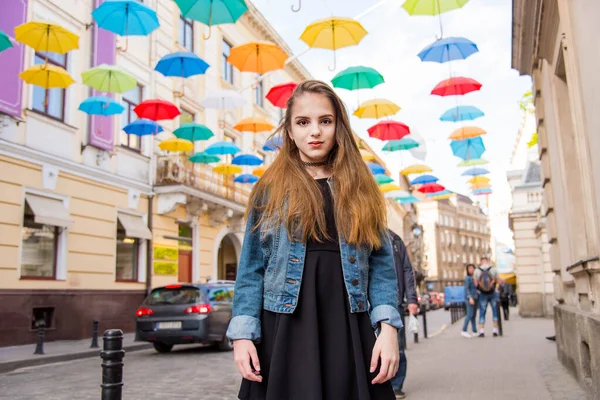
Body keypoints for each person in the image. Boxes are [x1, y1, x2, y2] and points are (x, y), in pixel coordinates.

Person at [226, 80, 402, 400]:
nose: (315, 131)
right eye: (303, 122)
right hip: (285, 326)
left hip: (349, 324)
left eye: (325, 121)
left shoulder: (362, 189)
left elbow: (382, 266)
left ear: (338, 128)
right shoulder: (269, 190)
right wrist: (242, 336)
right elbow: (251, 268)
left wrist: (388, 329)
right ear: (290, 132)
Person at [388, 230, 418, 399]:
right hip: (366, 303)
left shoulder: (394, 239)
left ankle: (396, 385)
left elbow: (407, 270)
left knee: (396, 346)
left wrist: (412, 299)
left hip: (395, 301)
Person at [473, 257, 499, 337]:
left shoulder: (477, 270)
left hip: (482, 294)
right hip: (492, 293)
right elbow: (497, 280)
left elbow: (475, 284)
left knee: (482, 312)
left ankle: (481, 331)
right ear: (488, 262)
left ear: (481, 262)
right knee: (495, 311)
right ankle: (495, 330)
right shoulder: (493, 269)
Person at [461, 263, 478, 338]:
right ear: (467, 270)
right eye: (469, 268)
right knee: (469, 314)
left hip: (475, 297)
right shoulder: (467, 278)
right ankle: (464, 330)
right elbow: (466, 289)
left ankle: (474, 331)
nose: (471, 270)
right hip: (470, 298)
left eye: (472, 268)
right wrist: (470, 297)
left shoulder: (474, 278)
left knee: (473, 315)